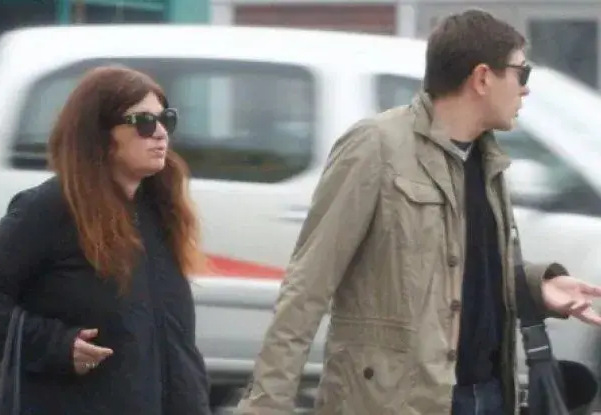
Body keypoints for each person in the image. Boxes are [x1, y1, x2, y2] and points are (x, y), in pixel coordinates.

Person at [236, 9, 601, 415]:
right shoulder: (376, 147)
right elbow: (307, 287)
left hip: (489, 394)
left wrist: (535, 286)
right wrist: (266, 405)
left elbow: (458, 267)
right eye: (521, 73)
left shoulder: (488, 160)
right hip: (397, 402)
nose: (526, 89)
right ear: (482, 78)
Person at [0, 65, 211, 414]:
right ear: (99, 134)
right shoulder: (48, 208)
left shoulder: (160, 211)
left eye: (165, 119)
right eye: (143, 122)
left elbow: (175, 343)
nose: (159, 133)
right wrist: (55, 346)